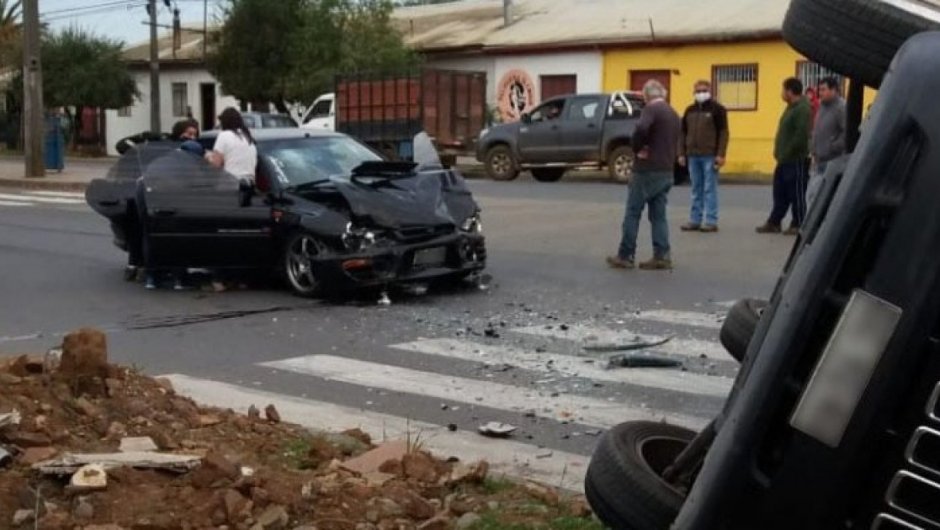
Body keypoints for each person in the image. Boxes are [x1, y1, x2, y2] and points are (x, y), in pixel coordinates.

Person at [606, 79, 681, 270]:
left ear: (647, 95)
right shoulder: (672, 113)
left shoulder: (651, 110)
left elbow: (641, 128)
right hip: (666, 168)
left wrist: (637, 147)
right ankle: (662, 254)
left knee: (633, 212)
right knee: (658, 215)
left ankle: (626, 254)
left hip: (647, 169)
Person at [757, 78, 812, 236]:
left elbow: (800, 135)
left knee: (796, 193)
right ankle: (774, 222)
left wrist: (787, 152)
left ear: (789, 91)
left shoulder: (802, 109)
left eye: (783, 90)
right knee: (780, 192)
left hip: (796, 159)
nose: (781, 94)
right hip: (783, 160)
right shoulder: (790, 108)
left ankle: (798, 222)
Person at [677, 80, 729, 233]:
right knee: (695, 188)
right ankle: (695, 220)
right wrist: (681, 153)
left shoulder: (718, 110)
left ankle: (711, 221)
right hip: (692, 155)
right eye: (698, 91)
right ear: (693, 92)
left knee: (709, 188)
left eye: (703, 90)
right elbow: (682, 133)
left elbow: (723, 133)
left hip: (710, 155)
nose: (701, 93)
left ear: (710, 91)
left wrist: (720, 154)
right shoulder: (689, 110)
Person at [807, 76, 846, 207]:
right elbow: (817, 130)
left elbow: (848, 132)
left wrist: (833, 146)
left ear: (834, 90)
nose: (820, 93)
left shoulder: (841, 107)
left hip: (832, 160)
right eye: (819, 90)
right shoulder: (822, 106)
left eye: (823, 89)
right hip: (819, 160)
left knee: (821, 199)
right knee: (812, 196)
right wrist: (813, 149)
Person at [207, 108, 258, 181]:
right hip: (249, 183)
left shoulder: (224, 135)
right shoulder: (248, 137)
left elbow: (216, 164)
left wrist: (208, 157)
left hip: (231, 183)